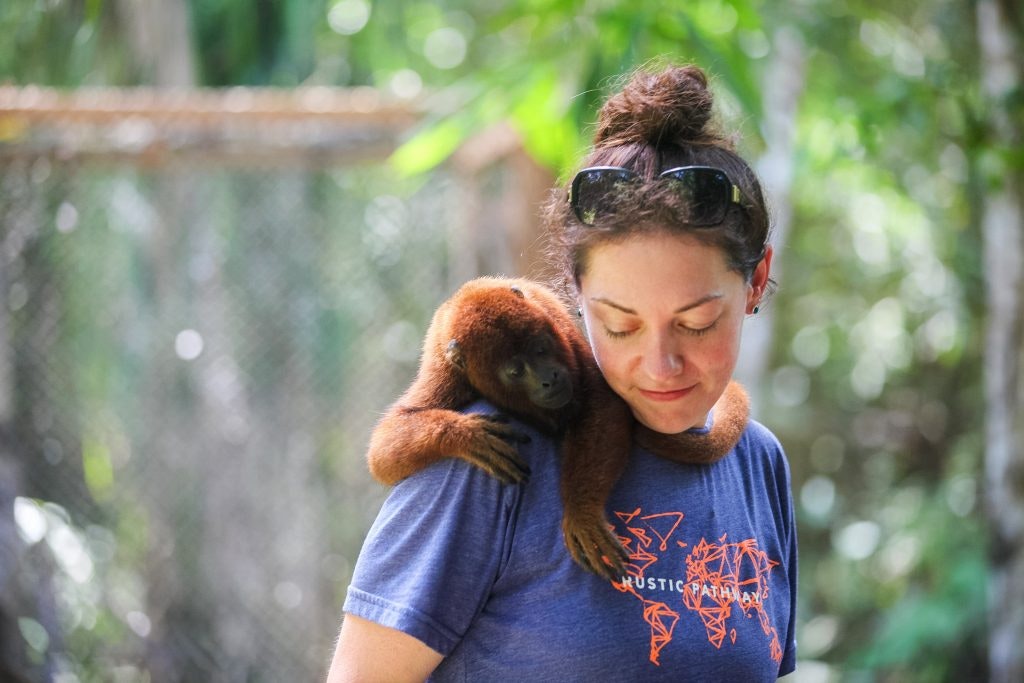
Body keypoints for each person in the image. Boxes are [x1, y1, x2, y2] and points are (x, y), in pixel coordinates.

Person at [326, 63, 797, 682]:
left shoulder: (758, 465)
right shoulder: (486, 460)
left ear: (756, 282)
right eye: (620, 326)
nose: (660, 365)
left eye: (697, 322)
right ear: (574, 297)